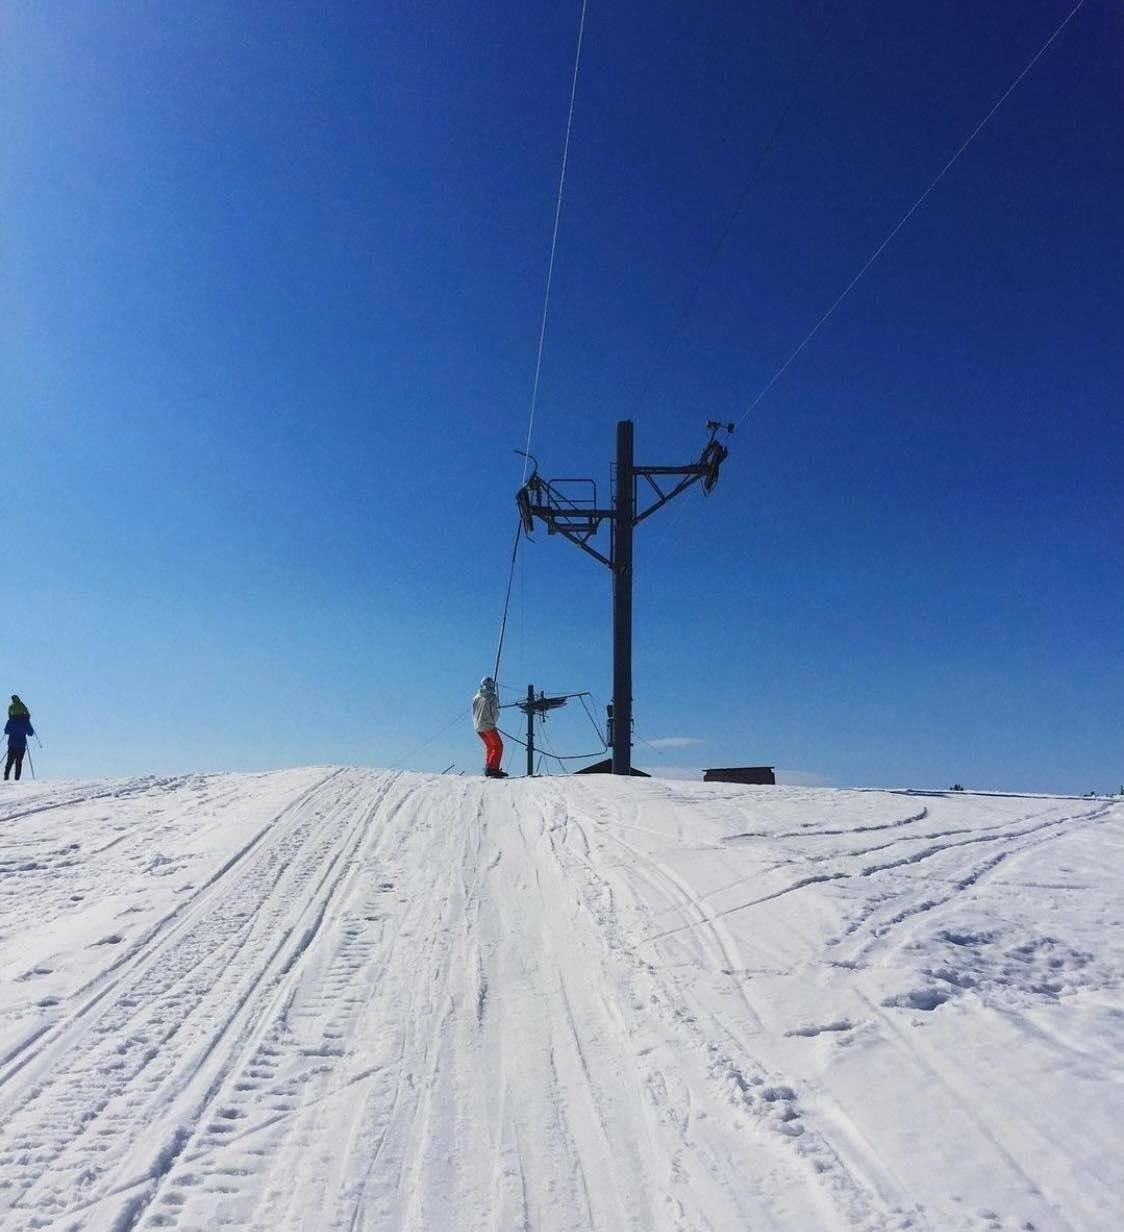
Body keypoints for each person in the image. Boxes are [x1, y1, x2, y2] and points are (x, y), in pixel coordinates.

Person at [472, 677, 507, 778]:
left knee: (490, 746)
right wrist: (493, 722)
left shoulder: (476, 697)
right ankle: (492, 768)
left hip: (478, 726)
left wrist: (476, 723)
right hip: (488, 725)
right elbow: (495, 712)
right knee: (498, 746)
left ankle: (489, 766)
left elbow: (473, 712)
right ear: (491, 685)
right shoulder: (492, 697)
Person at [4, 696, 34, 782]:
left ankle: (6, 776)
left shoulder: (11, 719)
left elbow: (6, 731)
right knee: (19, 762)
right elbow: (31, 733)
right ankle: (17, 779)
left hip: (12, 743)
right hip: (21, 744)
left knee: (10, 761)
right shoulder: (25, 720)